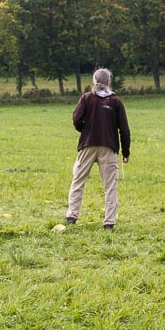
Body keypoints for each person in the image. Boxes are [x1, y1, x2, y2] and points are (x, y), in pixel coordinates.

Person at [66, 68, 130, 229]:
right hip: (108, 146)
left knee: (78, 181)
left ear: (94, 80)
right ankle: (109, 222)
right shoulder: (116, 102)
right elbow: (124, 129)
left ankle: (71, 216)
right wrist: (125, 152)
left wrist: (85, 130)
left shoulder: (86, 98)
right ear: (108, 82)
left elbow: (76, 119)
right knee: (110, 186)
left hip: (88, 145)